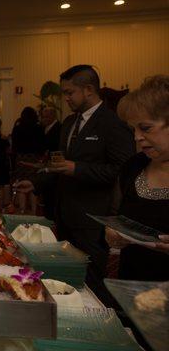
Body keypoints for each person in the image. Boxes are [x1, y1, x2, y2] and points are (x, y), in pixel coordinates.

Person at [15, 65, 135, 305]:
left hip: (92, 219)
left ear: (89, 89)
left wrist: (77, 168)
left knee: (93, 284)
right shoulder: (69, 122)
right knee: (68, 281)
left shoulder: (111, 123)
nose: (66, 98)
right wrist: (36, 183)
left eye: (70, 92)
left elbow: (122, 170)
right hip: (65, 215)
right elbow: (59, 166)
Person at [105, 75, 169, 281]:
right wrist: (111, 233)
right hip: (132, 289)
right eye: (134, 129)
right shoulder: (134, 166)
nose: (137, 137)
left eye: (146, 128)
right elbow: (116, 217)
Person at [11, 107, 46, 214]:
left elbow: (14, 145)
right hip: (34, 159)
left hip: (21, 158)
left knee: (21, 184)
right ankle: (34, 211)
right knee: (33, 184)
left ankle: (22, 210)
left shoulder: (18, 128)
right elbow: (43, 144)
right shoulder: (39, 127)